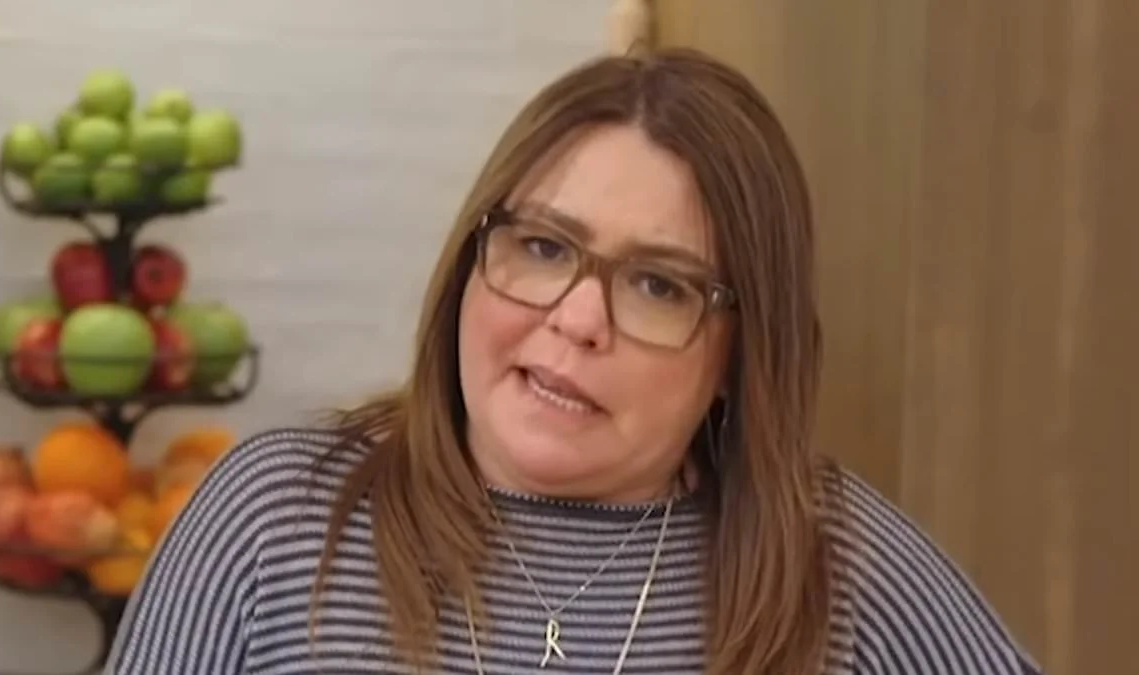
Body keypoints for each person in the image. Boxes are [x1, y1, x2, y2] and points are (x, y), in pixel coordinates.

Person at [104, 47, 1044, 674]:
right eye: (545, 247)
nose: (578, 317)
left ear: (739, 353)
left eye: (659, 286)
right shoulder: (268, 521)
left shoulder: (843, 567)